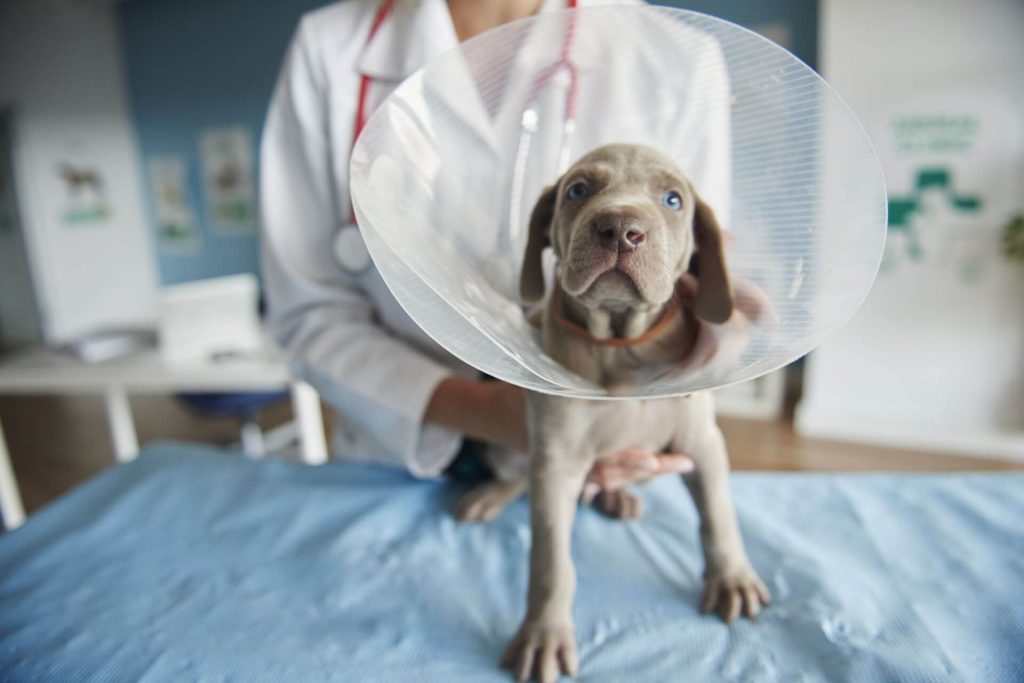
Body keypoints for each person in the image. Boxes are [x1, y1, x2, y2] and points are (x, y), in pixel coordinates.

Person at [260, 0, 695, 491]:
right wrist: (495, 414)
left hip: (596, 461)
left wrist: (723, 333)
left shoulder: (674, 56)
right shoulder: (330, 49)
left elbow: (695, 276)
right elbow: (309, 313)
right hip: (398, 456)